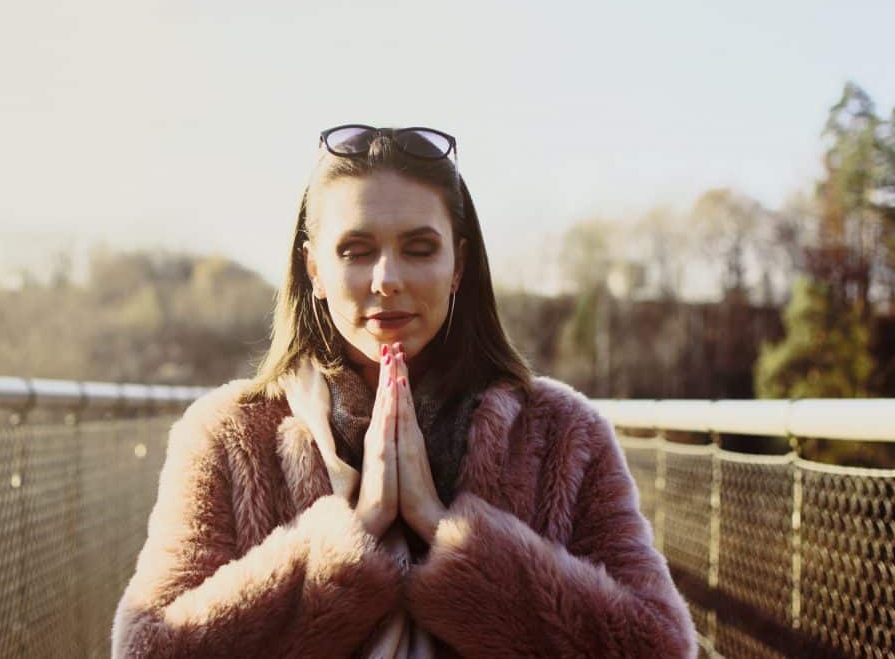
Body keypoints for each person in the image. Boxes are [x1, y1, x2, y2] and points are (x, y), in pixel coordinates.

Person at [110, 125, 698, 658]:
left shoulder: (562, 432)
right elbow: (147, 647)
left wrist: (449, 534)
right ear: (313, 268)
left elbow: (661, 647)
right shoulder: (228, 434)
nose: (387, 279)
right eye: (355, 251)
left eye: (419, 248)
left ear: (458, 265)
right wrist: (353, 537)